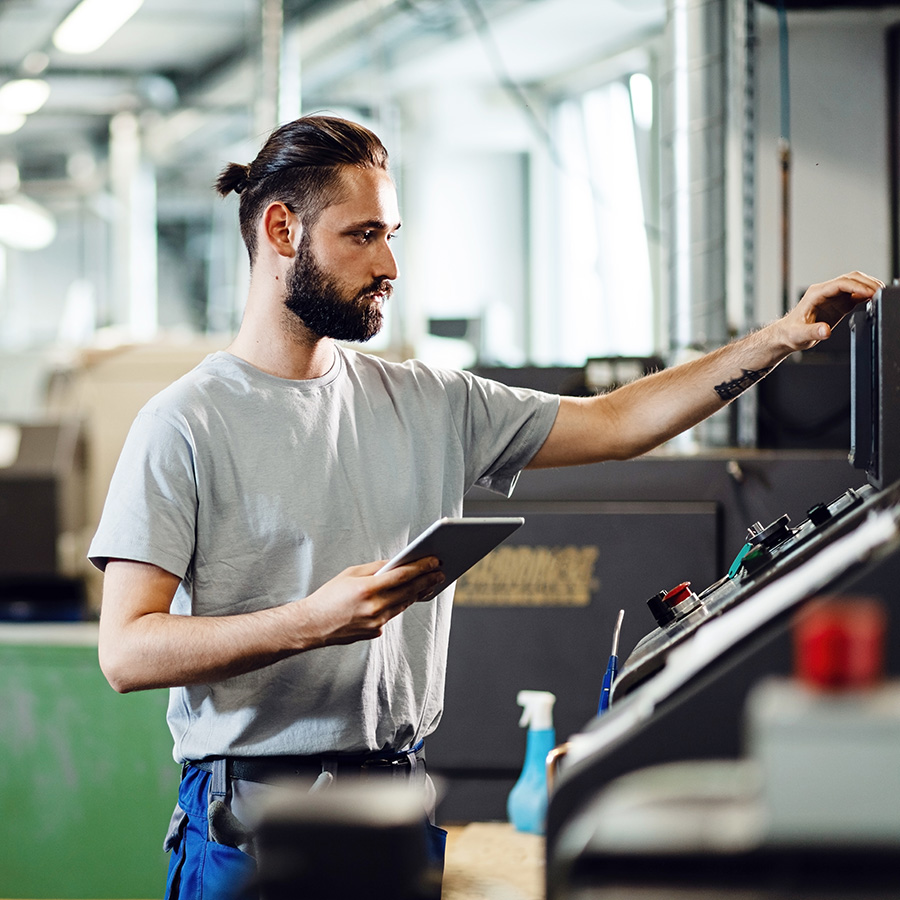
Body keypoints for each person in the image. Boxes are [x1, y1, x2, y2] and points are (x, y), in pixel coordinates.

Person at [88, 113, 883, 899]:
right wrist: (314, 620)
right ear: (282, 229)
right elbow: (126, 652)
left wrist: (777, 339)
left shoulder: (429, 400)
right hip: (248, 828)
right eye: (363, 235)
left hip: (397, 807)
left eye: (392, 233)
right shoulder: (183, 423)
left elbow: (615, 423)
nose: (390, 262)